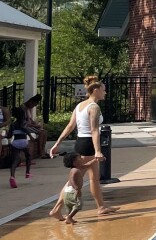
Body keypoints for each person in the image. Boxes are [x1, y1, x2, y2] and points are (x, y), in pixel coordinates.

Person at [49, 75, 117, 216]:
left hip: (80, 143)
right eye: (104, 90)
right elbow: (94, 130)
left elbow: (70, 126)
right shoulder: (94, 107)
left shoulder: (80, 106)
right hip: (88, 145)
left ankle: (101, 207)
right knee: (74, 181)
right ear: (96, 90)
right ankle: (56, 209)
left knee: (94, 178)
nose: (105, 92)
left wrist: (57, 143)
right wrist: (98, 150)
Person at [48, 153, 85, 224]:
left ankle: (69, 217)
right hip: (72, 191)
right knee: (78, 205)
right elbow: (71, 180)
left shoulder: (75, 169)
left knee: (69, 206)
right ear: (74, 162)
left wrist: (94, 160)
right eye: (79, 158)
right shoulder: (75, 170)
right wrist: (77, 189)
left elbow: (87, 165)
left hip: (68, 191)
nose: (82, 159)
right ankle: (69, 217)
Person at [6, 106, 33, 188]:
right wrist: (30, 136)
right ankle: (27, 172)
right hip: (24, 141)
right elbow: (25, 129)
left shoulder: (13, 124)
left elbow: (9, 135)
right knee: (28, 156)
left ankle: (12, 176)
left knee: (15, 160)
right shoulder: (23, 122)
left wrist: (6, 134)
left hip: (15, 142)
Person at [23, 94, 45, 159]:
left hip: (30, 125)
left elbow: (30, 120)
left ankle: (42, 150)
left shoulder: (29, 108)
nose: (33, 107)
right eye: (33, 105)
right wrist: (35, 126)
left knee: (44, 132)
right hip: (25, 127)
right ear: (30, 102)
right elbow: (25, 123)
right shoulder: (23, 108)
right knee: (42, 132)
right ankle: (41, 152)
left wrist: (36, 124)